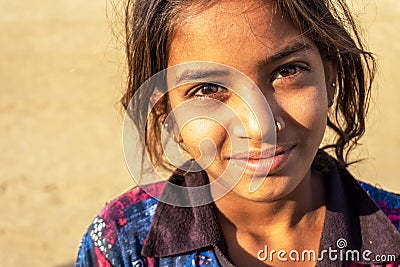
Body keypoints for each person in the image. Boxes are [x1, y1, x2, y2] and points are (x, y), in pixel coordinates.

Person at [75, 0, 400, 266]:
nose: (259, 128)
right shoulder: (123, 243)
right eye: (209, 89)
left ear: (329, 77)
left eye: (287, 71)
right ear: (168, 115)